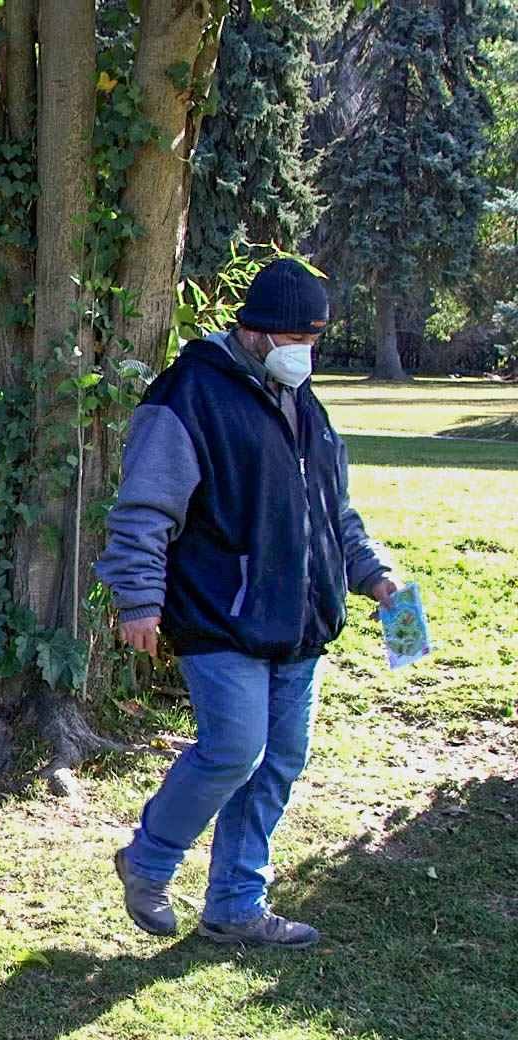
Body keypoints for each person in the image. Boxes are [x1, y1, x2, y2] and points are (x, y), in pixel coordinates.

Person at [96, 258, 397, 950]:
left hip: (300, 623)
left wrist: (375, 576)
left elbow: (334, 513)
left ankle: (236, 904)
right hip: (220, 616)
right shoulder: (189, 394)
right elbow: (144, 509)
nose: (305, 352)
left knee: (279, 761)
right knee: (235, 749)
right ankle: (148, 860)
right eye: (294, 337)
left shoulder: (307, 406)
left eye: (313, 338)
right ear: (254, 332)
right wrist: (138, 599)